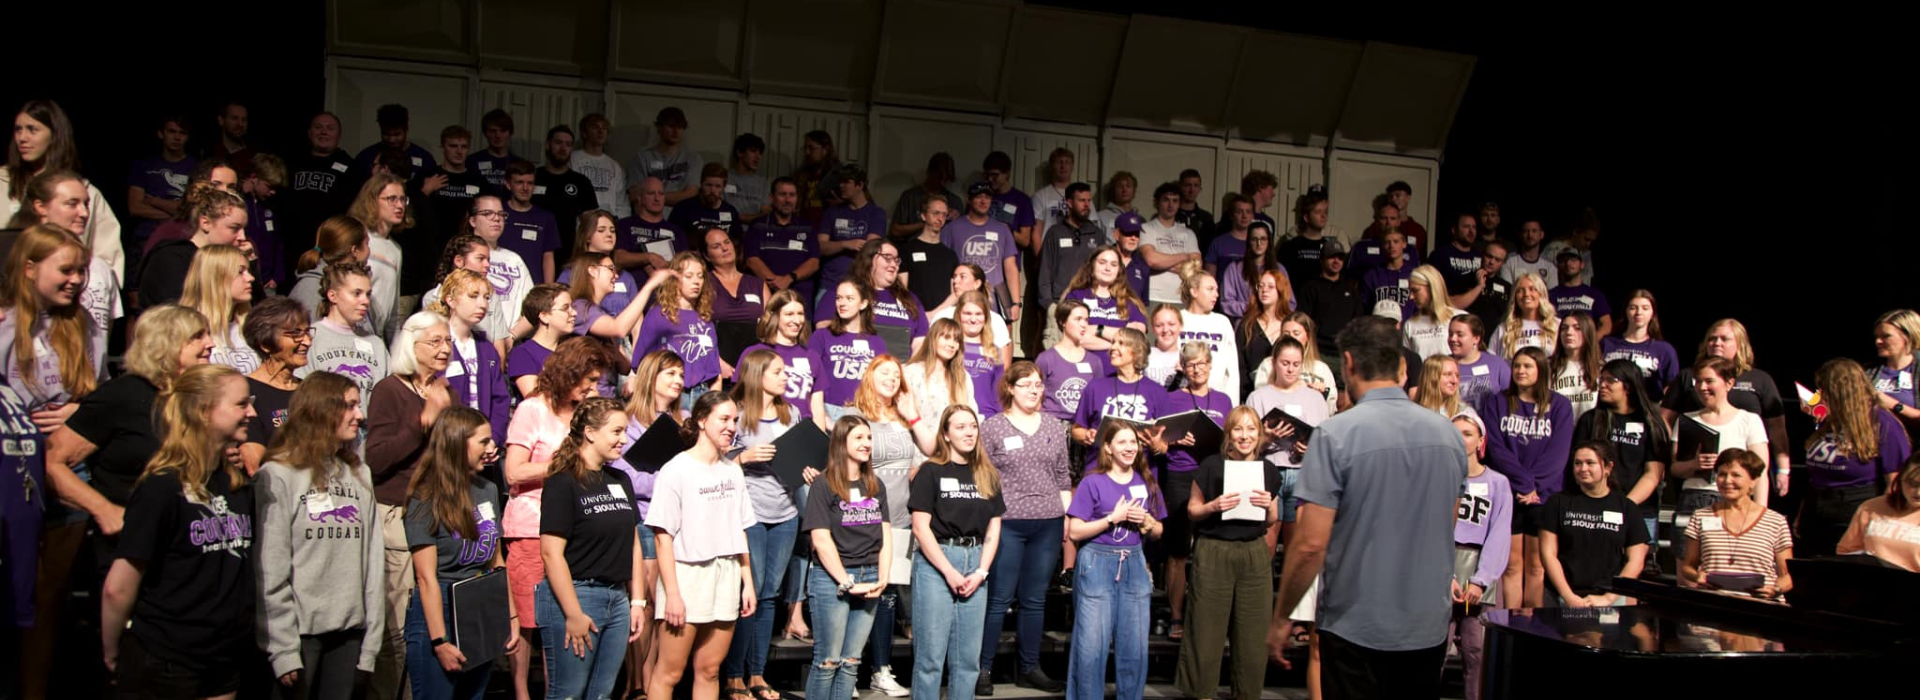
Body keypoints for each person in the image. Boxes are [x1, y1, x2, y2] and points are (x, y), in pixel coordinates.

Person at [1265, 315, 1465, 697]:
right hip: (1426, 628)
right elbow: (1448, 523)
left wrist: (1281, 616)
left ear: (1349, 364)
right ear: (1402, 368)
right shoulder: (1449, 436)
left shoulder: (1335, 434)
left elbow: (1309, 545)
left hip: (1356, 628)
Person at [99, 364, 256, 698]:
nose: (251, 413)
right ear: (203, 411)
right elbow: (118, 586)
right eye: (241, 404)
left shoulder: (234, 484)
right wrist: (111, 653)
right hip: (167, 660)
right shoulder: (161, 487)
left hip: (223, 657)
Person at [255, 371, 385, 699]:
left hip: (349, 635)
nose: (360, 415)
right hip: (298, 638)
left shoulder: (359, 473)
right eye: (350, 405)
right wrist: (283, 648)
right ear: (321, 408)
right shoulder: (279, 474)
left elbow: (373, 563)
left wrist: (371, 643)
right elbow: (270, 568)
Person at [504, 337, 617, 695]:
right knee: (528, 619)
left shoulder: (584, 414)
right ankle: (521, 692)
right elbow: (514, 471)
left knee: (561, 618)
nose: (592, 387)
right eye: (589, 379)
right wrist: (564, 465)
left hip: (576, 530)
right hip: (532, 526)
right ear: (570, 372)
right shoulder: (532, 409)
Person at [364, 311, 456, 692]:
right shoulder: (389, 390)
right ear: (411, 345)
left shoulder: (445, 388)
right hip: (399, 513)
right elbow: (376, 458)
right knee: (402, 624)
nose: (444, 348)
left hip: (440, 514)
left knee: (438, 617)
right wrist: (424, 420)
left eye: (448, 341)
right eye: (435, 341)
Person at [646, 391, 760, 700]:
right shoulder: (676, 469)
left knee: (710, 670)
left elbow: (740, 530)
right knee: (670, 672)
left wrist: (747, 582)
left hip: (726, 574)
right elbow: (662, 538)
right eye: (723, 419)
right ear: (701, 420)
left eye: (734, 420)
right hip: (686, 576)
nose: (731, 426)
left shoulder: (732, 470)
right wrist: (672, 594)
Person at [531, 396, 642, 700]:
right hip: (577, 595)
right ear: (590, 433)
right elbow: (551, 553)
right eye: (616, 431)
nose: (624, 439)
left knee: (601, 693)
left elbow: (633, 541)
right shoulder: (562, 482)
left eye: (625, 431)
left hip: (616, 598)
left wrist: (637, 601)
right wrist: (573, 613)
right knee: (568, 693)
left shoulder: (620, 479)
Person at [403, 407, 513, 700]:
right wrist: (439, 641)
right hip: (439, 609)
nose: (492, 447)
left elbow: (497, 561)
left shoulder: (488, 489)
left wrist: (509, 618)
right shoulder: (426, 496)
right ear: (456, 442)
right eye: (483, 441)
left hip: (479, 607)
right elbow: (426, 577)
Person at [975, 363, 1071, 694]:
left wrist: (1066, 516)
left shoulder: (1054, 426)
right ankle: (983, 668)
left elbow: (1063, 475)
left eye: (1038, 384)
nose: (1034, 390)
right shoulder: (993, 427)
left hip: (1048, 523)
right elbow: (981, 476)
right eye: (1026, 384)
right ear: (1010, 388)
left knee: (1034, 599)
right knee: (999, 598)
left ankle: (1029, 668)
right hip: (1008, 523)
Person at [846, 355, 937, 698]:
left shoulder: (903, 417)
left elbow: (930, 448)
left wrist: (912, 413)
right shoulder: (855, 415)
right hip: (863, 518)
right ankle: (848, 670)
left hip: (899, 517)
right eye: (884, 372)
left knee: (887, 597)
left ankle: (880, 670)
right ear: (869, 376)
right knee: (859, 593)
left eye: (896, 375)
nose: (891, 378)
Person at [1178, 407, 1279, 700]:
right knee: (1205, 631)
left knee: (1253, 634)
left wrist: (1268, 506)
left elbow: (1271, 519)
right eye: (1238, 429)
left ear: (1259, 434)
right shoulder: (1211, 466)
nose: (1245, 436)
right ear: (1228, 434)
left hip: (1253, 552)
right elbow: (1192, 510)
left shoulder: (1268, 470)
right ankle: (1201, 693)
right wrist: (1213, 506)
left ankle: (1247, 694)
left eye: (1251, 429)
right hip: (1214, 550)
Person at [719, 349, 803, 700]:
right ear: (758, 375)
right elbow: (715, 459)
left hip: (785, 511)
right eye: (778, 371)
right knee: (748, 594)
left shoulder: (791, 413)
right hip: (749, 512)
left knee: (769, 596)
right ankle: (733, 675)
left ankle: (757, 673)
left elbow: (800, 456)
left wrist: (807, 469)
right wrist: (744, 456)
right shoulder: (736, 413)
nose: (786, 377)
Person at [908, 405, 1005, 700]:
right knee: (930, 659)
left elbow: (993, 528)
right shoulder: (931, 471)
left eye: (972, 426)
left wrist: (982, 572)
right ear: (946, 434)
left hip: (975, 563)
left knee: (968, 661)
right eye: (960, 427)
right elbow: (920, 528)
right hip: (938, 563)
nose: (969, 432)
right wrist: (949, 572)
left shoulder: (986, 473)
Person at [802, 413, 895, 700]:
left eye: (869, 437)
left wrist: (883, 578)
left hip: (870, 576)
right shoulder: (824, 484)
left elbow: (885, 535)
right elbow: (821, 540)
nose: (867, 443)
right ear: (841, 442)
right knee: (828, 661)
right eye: (859, 437)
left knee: (851, 661)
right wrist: (846, 582)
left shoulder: (875, 485)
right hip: (833, 580)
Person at [1478, 346, 1574, 607]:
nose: (1520, 371)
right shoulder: (1497, 402)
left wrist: (1534, 488)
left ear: (1541, 370)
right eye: (1517, 366)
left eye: (1528, 366)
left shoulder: (1560, 406)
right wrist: (1523, 484)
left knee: (1536, 566)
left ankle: (1532, 623)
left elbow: (1558, 455)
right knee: (1511, 565)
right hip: (1509, 493)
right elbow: (1496, 449)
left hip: (1542, 497)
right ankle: (1511, 621)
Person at [1799, 359, 1912, 556]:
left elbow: (1894, 481)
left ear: (1842, 391)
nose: (1820, 396)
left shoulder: (1883, 423)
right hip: (1817, 505)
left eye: (1825, 389)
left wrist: (1882, 523)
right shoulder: (1831, 420)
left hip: (1854, 505)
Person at [7, 171, 122, 360]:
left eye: (86, 204)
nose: (84, 213)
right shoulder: (11, 256)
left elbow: (103, 335)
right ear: (40, 207)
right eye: (72, 204)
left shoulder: (100, 267)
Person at [3, 100, 124, 279]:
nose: (22, 138)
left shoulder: (85, 193)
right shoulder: (3, 183)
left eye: (32, 130)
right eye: (18, 129)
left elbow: (108, 257)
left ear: (55, 135)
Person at [1662, 319, 1792, 483]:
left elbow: (1776, 427)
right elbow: (1665, 419)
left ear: (1740, 344)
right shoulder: (1688, 376)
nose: (1717, 343)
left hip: (1743, 473)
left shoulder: (1760, 380)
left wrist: (1783, 469)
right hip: (1695, 473)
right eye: (1712, 338)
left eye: (1725, 339)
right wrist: (1672, 457)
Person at [1572, 360, 1673, 572]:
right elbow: (1578, 466)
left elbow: (1653, 474)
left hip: (1638, 509)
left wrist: (1624, 505)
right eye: (1602, 380)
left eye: (1610, 380)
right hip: (1594, 508)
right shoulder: (1590, 420)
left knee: (1638, 571)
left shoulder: (1651, 422)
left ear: (1628, 385)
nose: (1603, 385)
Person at [1161, 341, 1232, 639]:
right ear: (1184, 368)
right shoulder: (1171, 399)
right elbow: (1157, 440)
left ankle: (1205, 617)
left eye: (1202, 363)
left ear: (1210, 365)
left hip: (1212, 474)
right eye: (1191, 365)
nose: (1197, 369)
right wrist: (1176, 440)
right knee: (1178, 549)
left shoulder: (1224, 400)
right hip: (1180, 473)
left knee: (1210, 549)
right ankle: (1176, 616)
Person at [1539, 442, 1649, 607]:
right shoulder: (1558, 502)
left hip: (1611, 599)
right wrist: (1568, 596)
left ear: (1608, 467)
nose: (1583, 468)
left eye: (1590, 463)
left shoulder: (1627, 507)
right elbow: (1548, 554)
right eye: (1578, 463)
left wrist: (1608, 598)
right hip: (1562, 597)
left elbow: (1636, 560)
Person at [1243, 339, 1332, 541]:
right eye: (1285, 363)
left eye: (1296, 364)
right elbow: (1247, 447)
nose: (1291, 370)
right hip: (1269, 471)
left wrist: (1309, 449)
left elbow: (1324, 444)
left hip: (1302, 473)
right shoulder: (1258, 397)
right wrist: (1267, 438)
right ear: (1274, 362)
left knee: (1296, 540)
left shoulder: (1315, 398)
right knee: (1268, 539)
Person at [1679, 448, 1795, 600]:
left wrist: (1775, 589)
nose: (1727, 481)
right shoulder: (1701, 516)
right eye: (1722, 474)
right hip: (1713, 602)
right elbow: (1687, 566)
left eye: (1736, 475)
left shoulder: (1775, 521)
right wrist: (1697, 576)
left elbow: (1788, 575)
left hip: (1759, 605)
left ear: (1753, 481)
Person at [1449, 413, 1510, 698]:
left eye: (1467, 433)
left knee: (1477, 651)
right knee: (1434, 648)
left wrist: (1480, 579)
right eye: (1455, 433)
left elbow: (1499, 534)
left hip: (1480, 569)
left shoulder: (1498, 483)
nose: (1461, 439)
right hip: (1444, 568)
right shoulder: (1440, 478)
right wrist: (1445, 574)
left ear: (1480, 440)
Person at [429, 270, 513, 475]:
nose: (482, 304)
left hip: (484, 449)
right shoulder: (434, 344)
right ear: (451, 300)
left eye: (486, 297)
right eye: (473, 296)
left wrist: (492, 439)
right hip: (447, 449)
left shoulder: (486, 348)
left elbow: (500, 398)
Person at [1672, 357, 1775, 518]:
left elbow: (1760, 472)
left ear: (1729, 383)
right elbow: (1674, 468)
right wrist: (1694, 464)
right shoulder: (1686, 420)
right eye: (1698, 381)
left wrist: (1760, 512)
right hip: (1693, 498)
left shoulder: (1749, 420)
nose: (1702, 387)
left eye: (1709, 381)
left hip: (1733, 499)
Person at [298, 262, 389, 416]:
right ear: (332, 295)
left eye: (368, 294)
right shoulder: (311, 337)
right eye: (356, 293)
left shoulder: (375, 344)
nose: (365, 301)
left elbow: (385, 397)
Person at [278, 112, 364, 275]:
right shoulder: (292, 162)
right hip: (291, 246)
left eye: (330, 128)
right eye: (318, 127)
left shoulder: (352, 168)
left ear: (339, 135)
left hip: (331, 248)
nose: (324, 132)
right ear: (309, 132)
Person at [636, 252, 727, 404]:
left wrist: (713, 406)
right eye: (689, 276)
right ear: (675, 279)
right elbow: (643, 363)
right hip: (669, 394)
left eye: (700, 276)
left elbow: (714, 373)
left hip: (701, 394)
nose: (696, 281)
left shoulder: (705, 320)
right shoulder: (658, 315)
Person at [816, 239, 928, 360]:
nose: (894, 264)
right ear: (868, 259)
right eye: (887, 257)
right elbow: (824, 329)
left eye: (896, 260)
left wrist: (908, 367)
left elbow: (921, 341)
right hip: (854, 364)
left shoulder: (910, 299)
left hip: (899, 367)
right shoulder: (843, 291)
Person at [139, 187, 247, 308]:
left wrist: (250, 263)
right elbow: (178, 313)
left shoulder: (228, 261)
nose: (242, 237)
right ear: (205, 223)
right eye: (234, 228)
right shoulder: (171, 258)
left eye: (244, 229)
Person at [240, 298, 313, 473]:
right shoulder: (244, 391)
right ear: (265, 343)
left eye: (307, 332)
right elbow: (255, 465)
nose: (307, 341)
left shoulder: (310, 390)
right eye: (296, 333)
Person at [1074, 329, 1167, 465]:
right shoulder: (1095, 387)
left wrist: (1157, 445)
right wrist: (1087, 434)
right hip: (1100, 468)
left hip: (1139, 470)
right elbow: (1077, 429)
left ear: (1137, 351)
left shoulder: (1156, 391)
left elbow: (1165, 444)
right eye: (1113, 342)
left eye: (1121, 343)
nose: (1113, 347)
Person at [943, 182, 1020, 324]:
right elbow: (943, 268)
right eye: (979, 197)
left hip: (995, 302)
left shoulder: (1002, 229)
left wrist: (1015, 303)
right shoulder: (952, 228)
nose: (983, 201)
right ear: (969, 199)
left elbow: (1011, 268)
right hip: (961, 301)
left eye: (987, 197)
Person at [808, 282, 884, 421]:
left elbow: (879, 381)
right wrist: (823, 418)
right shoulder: (822, 336)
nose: (842, 303)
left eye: (849, 298)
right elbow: (809, 379)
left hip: (863, 412)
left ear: (863, 304)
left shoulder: (876, 341)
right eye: (839, 298)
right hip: (827, 410)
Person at [345, 173, 410, 335]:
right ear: (372, 201)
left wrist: (394, 344)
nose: (400, 205)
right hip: (352, 331)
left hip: (376, 337)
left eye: (403, 199)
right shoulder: (359, 240)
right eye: (391, 199)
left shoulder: (396, 249)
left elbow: (394, 309)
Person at [738, 289, 819, 420]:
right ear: (774, 316)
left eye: (800, 314)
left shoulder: (812, 356)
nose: (797, 320)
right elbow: (742, 398)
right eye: (789, 314)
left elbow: (817, 406)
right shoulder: (754, 353)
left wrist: (818, 431)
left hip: (803, 427)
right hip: (764, 425)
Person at [178, 245, 259, 373]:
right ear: (215, 277)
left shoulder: (250, 323)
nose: (250, 278)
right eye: (240, 272)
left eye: (248, 271)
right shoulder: (184, 329)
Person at [741, 177, 820, 308]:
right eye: (782, 194)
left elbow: (814, 263)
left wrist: (788, 279)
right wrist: (776, 283)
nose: (788, 200)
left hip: (800, 297)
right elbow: (752, 260)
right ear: (771, 198)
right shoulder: (758, 225)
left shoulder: (808, 227)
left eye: (792, 195)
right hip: (765, 294)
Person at [815, 163, 887, 300]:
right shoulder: (832, 212)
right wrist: (845, 244)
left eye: (846, 182)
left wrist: (834, 245)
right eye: (840, 181)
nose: (841, 185)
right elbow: (820, 246)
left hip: (860, 284)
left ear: (859, 185)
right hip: (830, 283)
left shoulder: (876, 213)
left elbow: (870, 249)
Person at [1837, 455, 1920, 572]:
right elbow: (1847, 551)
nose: (1918, 492)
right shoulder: (1871, 507)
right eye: (1912, 483)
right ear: (1900, 478)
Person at [1059, 246, 1150, 352]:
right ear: (1092, 265)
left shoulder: (1129, 302)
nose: (1108, 268)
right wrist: (1118, 342)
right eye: (1102, 263)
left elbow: (1137, 338)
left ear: (1119, 270)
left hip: (1118, 362)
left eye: (1113, 265)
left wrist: (1098, 329)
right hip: (1084, 361)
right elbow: (1077, 337)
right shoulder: (1076, 297)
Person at [556, 210, 644, 320]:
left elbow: (637, 316)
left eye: (612, 231)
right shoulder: (570, 274)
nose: (609, 235)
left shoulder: (625, 277)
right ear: (587, 236)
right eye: (601, 230)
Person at [126, 115, 199, 242]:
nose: (177, 137)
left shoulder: (197, 168)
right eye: (172, 131)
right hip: (145, 236)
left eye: (182, 133)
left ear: (187, 137)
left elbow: (192, 210)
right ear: (161, 134)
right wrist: (176, 213)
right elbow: (135, 208)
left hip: (181, 238)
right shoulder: (144, 165)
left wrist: (154, 201)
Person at [1035, 301, 1109, 427]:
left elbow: (1098, 398)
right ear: (1063, 322)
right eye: (1078, 319)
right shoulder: (1046, 359)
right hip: (1052, 425)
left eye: (1086, 320)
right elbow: (1036, 395)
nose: (1083, 325)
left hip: (1081, 427)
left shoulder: (1094, 362)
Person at [703, 227, 766, 367]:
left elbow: (770, 326)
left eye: (727, 242)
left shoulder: (757, 284)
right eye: (716, 246)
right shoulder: (702, 283)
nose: (725, 248)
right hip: (716, 363)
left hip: (754, 365)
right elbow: (693, 327)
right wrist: (716, 361)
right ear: (707, 255)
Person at [532, 126, 603, 250]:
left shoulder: (581, 182)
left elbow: (590, 220)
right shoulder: (533, 177)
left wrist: (583, 247)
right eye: (558, 142)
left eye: (568, 144)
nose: (563, 148)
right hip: (533, 244)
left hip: (566, 249)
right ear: (548, 145)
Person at [1601, 290, 1680, 399]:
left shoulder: (1665, 350)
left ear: (1652, 313)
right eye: (1633, 308)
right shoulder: (1606, 344)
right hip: (1611, 406)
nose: (1639, 312)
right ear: (1625, 311)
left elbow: (1672, 387)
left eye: (1645, 308)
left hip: (1648, 406)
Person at [627, 107, 704, 209]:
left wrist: (651, 197)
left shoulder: (693, 159)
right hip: (649, 216)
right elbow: (634, 194)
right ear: (659, 127)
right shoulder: (642, 157)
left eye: (680, 127)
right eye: (671, 126)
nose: (676, 131)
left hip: (681, 217)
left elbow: (690, 195)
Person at [903, 319, 976, 424]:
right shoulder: (911, 373)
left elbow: (972, 413)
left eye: (956, 340)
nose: (952, 344)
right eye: (946, 337)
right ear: (933, 338)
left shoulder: (963, 376)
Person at [505, 283, 570, 397]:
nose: (574, 313)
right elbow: (536, 398)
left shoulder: (570, 351)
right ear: (544, 316)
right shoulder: (523, 354)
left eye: (572, 307)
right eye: (565, 308)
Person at [502, 161, 562, 284]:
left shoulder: (545, 217)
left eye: (530, 183)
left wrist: (548, 288)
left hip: (533, 286)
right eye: (519, 182)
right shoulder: (497, 213)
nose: (525, 188)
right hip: (501, 282)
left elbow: (548, 257)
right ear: (508, 184)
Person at [1142, 182, 1201, 305]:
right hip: (1154, 297)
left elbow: (1196, 267)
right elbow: (1152, 260)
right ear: (1157, 202)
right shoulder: (1146, 228)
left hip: (1182, 298)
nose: (1170, 205)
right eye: (1166, 200)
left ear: (1179, 204)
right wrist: (1184, 256)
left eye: (1175, 201)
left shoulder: (1188, 233)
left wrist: (1162, 263)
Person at [951, 291, 1006, 416]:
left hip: (987, 417)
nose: (973, 319)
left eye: (978, 314)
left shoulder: (994, 350)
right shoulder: (950, 346)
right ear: (958, 314)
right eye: (967, 313)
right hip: (955, 416)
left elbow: (998, 393)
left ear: (986, 317)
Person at [616, 177, 685, 274]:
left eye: (661, 194)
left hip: (668, 281)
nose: (657, 198)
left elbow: (685, 263)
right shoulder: (624, 225)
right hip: (634, 282)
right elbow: (618, 258)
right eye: (651, 193)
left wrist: (666, 267)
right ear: (640, 198)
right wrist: (649, 257)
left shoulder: (676, 231)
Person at [888, 152, 961, 240]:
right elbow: (895, 231)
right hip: (913, 244)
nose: (942, 183)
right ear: (929, 172)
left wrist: (956, 220)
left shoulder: (954, 201)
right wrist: (927, 222)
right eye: (939, 178)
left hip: (942, 245)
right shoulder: (910, 196)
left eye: (946, 180)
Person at [1869, 310, 1919, 433]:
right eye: (1877, 337)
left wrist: (1892, 404)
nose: (1878, 341)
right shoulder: (1869, 371)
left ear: (1908, 336)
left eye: (1886, 336)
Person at [1218, 219, 1278, 323]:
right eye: (1254, 239)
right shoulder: (1234, 269)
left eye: (1263, 239)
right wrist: (1253, 308)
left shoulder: (1279, 269)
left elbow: (1290, 303)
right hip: (1244, 324)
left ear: (1269, 242)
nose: (1259, 243)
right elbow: (1226, 303)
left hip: (1272, 324)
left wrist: (1270, 310)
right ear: (1248, 241)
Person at [668, 164, 745, 243]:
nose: (712, 190)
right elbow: (671, 238)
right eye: (708, 185)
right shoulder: (682, 209)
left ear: (723, 187)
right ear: (701, 184)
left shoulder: (731, 211)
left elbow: (737, 241)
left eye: (718, 186)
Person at [355, 104, 439, 176]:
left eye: (397, 134)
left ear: (406, 130)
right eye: (386, 134)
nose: (391, 140)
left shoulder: (424, 159)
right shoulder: (366, 157)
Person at [574, 114, 632, 218]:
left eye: (604, 128)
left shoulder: (615, 166)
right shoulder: (573, 159)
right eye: (595, 127)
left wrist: (619, 222)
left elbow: (622, 204)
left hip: (607, 223)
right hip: (580, 222)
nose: (601, 131)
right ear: (584, 133)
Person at [1449, 314, 1511, 409]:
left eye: (1460, 335)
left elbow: (1511, 399)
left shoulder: (1497, 364)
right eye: (1450, 334)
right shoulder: (1441, 365)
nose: (1453, 339)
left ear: (1476, 339)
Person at [1490, 273, 1558, 358]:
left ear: (1541, 293)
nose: (1526, 294)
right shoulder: (1503, 328)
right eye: (1520, 290)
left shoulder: (1557, 325)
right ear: (1515, 297)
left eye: (1532, 289)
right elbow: (1491, 361)